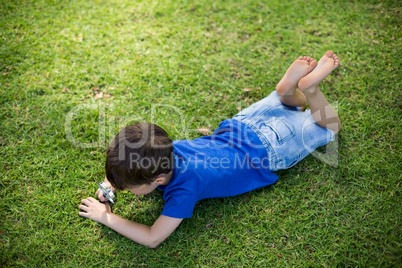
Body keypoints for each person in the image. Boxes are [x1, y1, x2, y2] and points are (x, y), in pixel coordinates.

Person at [79, 51, 341, 248]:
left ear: (158, 180)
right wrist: (110, 184)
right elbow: (131, 159)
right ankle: (287, 91)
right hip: (242, 126)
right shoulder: (168, 150)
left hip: (270, 147)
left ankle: (312, 89)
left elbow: (153, 237)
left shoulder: (183, 190)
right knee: (291, 104)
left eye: (128, 187)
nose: (125, 190)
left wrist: (106, 217)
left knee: (329, 127)